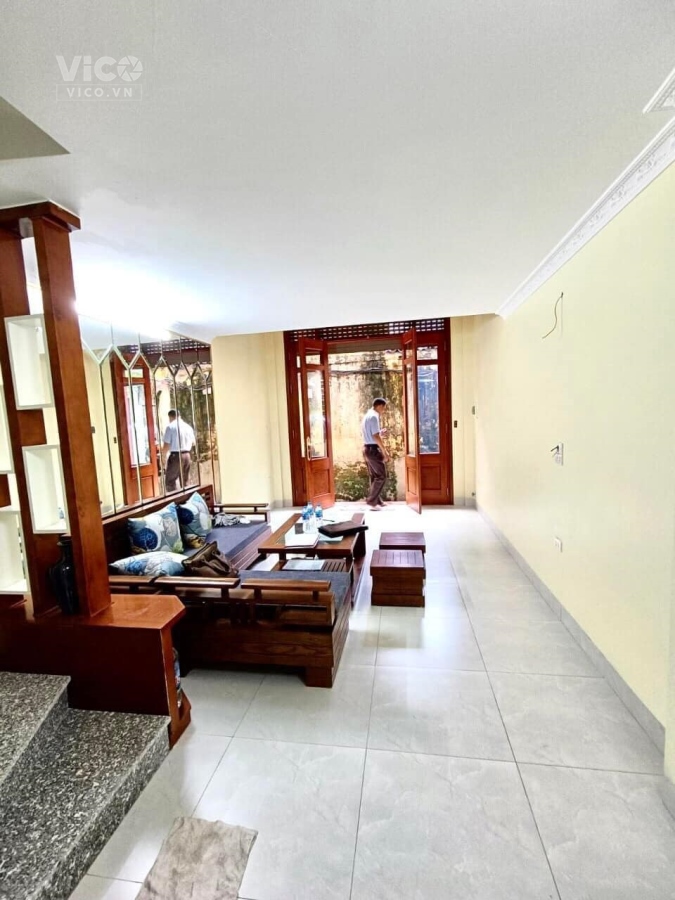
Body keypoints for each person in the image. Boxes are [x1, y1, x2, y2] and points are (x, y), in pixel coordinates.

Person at [361, 398, 389, 509]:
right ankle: (372, 501)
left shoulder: (367, 416)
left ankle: (377, 501)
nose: (383, 411)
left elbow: (371, 434)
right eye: (384, 408)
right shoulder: (374, 417)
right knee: (381, 476)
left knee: (375, 476)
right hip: (373, 449)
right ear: (379, 406)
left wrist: (380, 432)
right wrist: (384, 451)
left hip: (367, 448)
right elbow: (375, 436)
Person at [162, 409, 195, 491]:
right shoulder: (188, 427)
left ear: (170, 417)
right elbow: (193, 443)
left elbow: (166, 445)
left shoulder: (170, 427)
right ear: (179, 416)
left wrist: (163, 457)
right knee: (185, 481)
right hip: (187, 455)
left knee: (170, 481)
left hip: (176, 456)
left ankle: (175, 497)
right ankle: (186, 497)